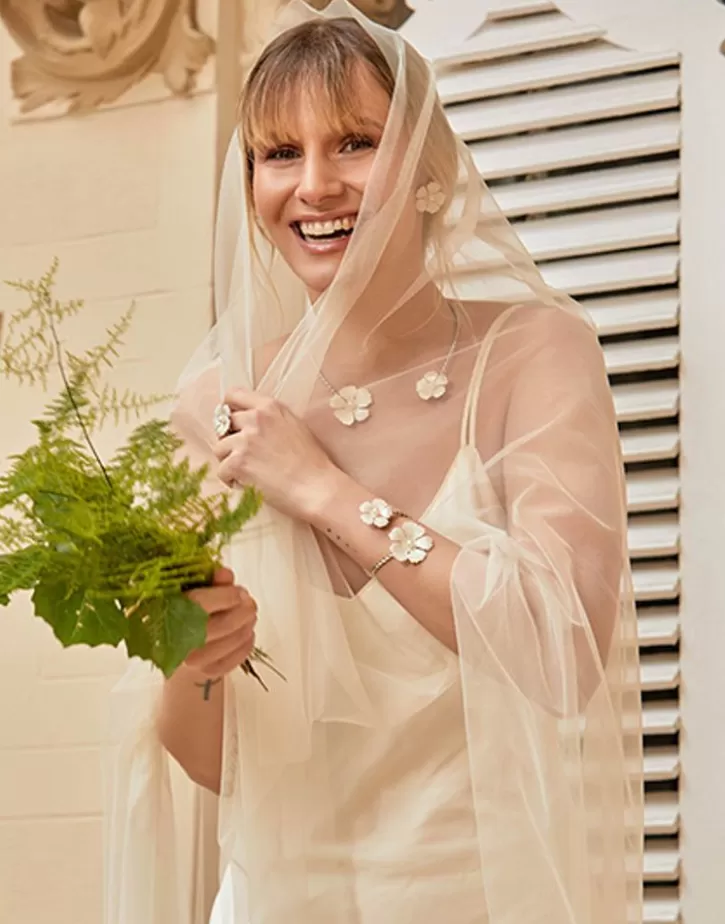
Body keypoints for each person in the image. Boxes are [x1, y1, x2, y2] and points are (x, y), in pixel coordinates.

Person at [106, 3, 644, 923]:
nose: (315, 185)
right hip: (274, 899)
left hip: (478, 898)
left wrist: (320, 488)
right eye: (280, 154)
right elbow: (212, 764)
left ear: (430, 172)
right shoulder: (213, 406)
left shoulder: (531, 354)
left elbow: (557, 654)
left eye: (355, 143)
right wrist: (194, 665)